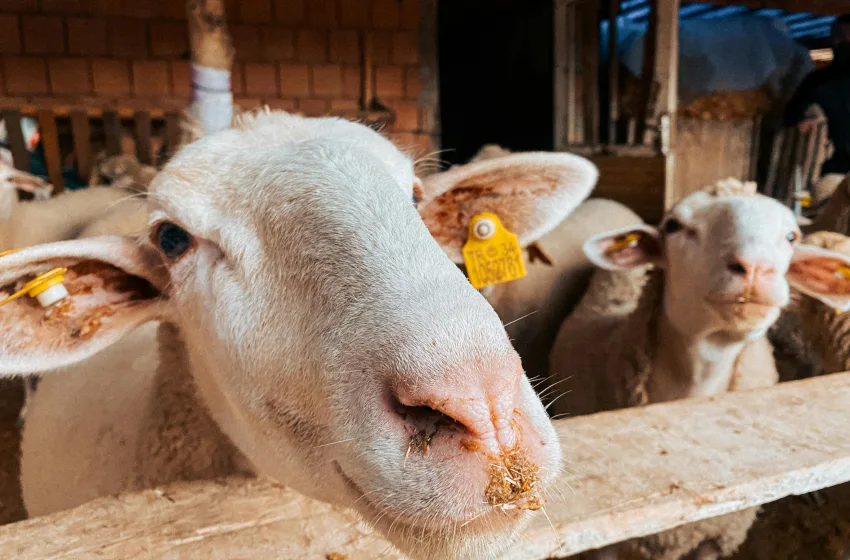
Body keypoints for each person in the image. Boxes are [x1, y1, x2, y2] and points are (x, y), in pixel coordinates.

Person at [785, 15, 850, 202]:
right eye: (839, 35)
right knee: (826, 213)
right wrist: (804, 118)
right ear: (831, 40)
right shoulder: (816, 81)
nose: (845, 41)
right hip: (831, 166)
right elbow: (791, 114)